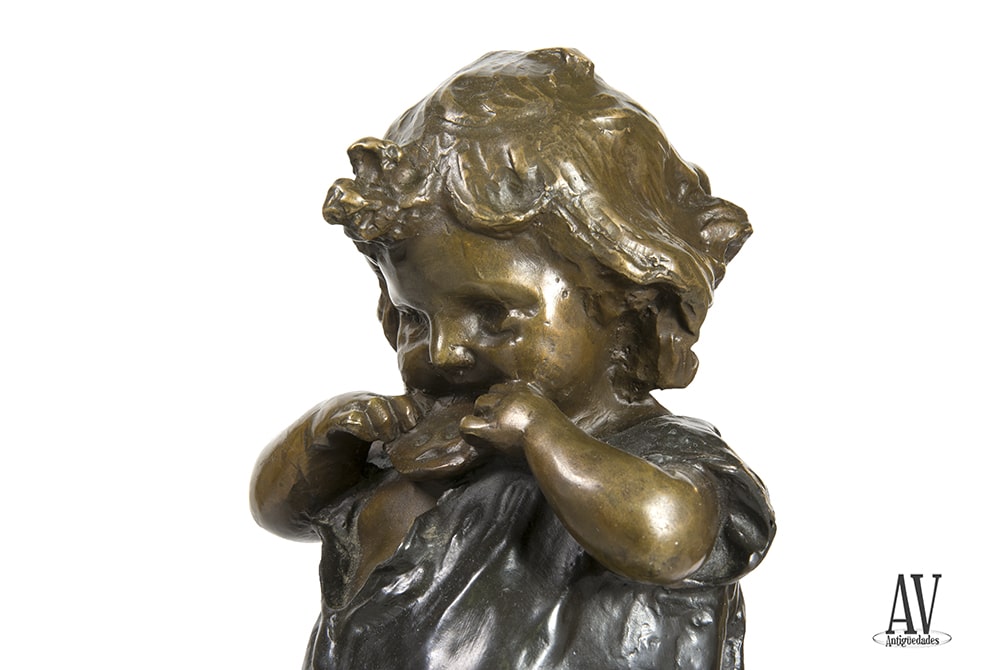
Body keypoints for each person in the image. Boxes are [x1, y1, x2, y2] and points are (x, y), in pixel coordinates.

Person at [251, 48, 775, 670]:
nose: (442, 350)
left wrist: (542, 436)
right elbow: (279, 512)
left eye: (493, 313)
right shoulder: (416, 449)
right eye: (415, 319)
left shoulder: (663, 459)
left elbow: (668, 539)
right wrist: (324, 437)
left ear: (623, 304)